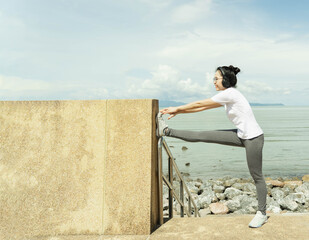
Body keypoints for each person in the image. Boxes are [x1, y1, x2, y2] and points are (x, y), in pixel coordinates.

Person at [156, 65, 268, 228]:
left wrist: (178, 108)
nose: (213, 81)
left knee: (257, 176)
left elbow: (200, 103)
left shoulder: (231, 93)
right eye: (213, 78)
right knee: (203, 135)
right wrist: (180, 112)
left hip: (253, 138)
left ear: (226, 79)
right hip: (240, 135)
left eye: (216, 78)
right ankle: (165, 131)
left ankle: (262, 213)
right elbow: (202, 107)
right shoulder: (226, 95)